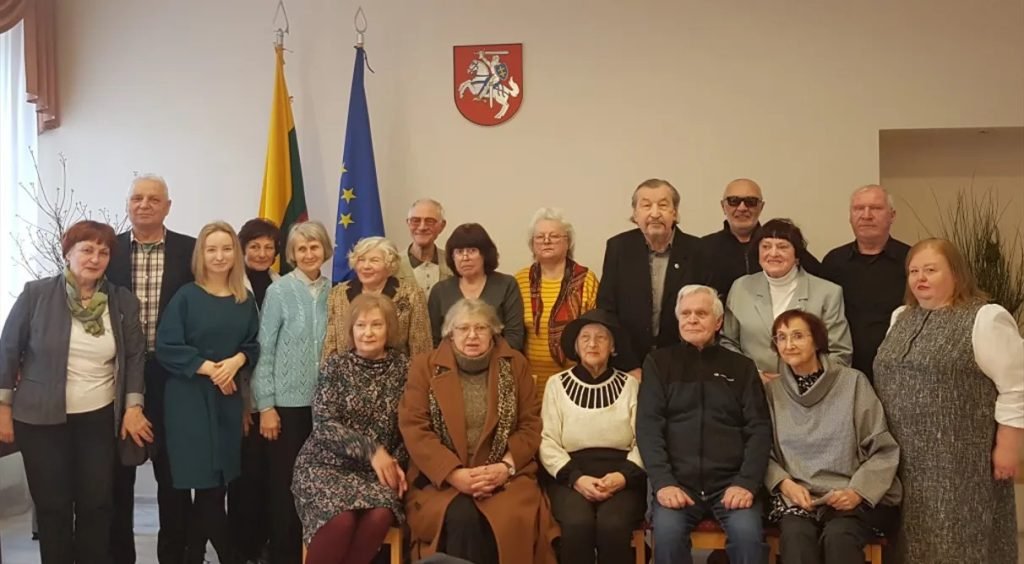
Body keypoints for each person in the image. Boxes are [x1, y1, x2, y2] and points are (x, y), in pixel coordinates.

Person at [0, 220, 152, 564]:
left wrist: (133, 406)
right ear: (67, 253)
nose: (95, 258)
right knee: (53, 506)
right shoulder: (36, 294)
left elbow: (135, 356)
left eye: (103, 252)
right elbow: (7, 350)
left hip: (99, 419)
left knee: (96, 504)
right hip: (40, 419)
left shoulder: (122, 301)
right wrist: (3, 407)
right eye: (86, 249)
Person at [873, 238, 1023, 564]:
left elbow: (1016, 386)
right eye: (914, 271)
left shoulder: (985, 318)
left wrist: (1008, 445)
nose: (920, 278)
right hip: (900, 458)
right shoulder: (902, 316)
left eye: (930, 270)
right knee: (905, 544)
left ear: (956, 273)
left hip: (959, 463)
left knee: (956, 542)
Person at [399, 299, 557, 563]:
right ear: (450, 333)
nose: (472, 335)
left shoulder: (515, 364)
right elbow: (415, 427)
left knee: (505, 520)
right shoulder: (425, 366)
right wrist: (453, 474)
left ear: (493, 332)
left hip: (505, 477)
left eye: (481, 328)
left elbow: (530, 425)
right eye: (463, 328)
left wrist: (505, 467)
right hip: (440, 480)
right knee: (461, 517)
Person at [637, 284, 771, 564]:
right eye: (685, 313)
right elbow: (649, 428)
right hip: (678, 484)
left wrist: (746, 483)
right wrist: (663, 483)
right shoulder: (658, 363)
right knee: (667, 538)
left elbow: (759, 429)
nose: (692, 320)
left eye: (701, 313)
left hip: (731, 484)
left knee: (748, 540)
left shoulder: (742, 367)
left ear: (718, 322)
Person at [106, 174, 198, 564]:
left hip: (173, 378)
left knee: (173, 478)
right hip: (116, 377)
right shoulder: (108, 249)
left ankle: (173, 556)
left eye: (153, 199)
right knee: (117, 478)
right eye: (137, 198)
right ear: (128, 204)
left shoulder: (190, 250)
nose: (144, 205)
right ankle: (119, 557)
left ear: (168, 206)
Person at [156, 221, 260, 564]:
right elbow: (167, 346)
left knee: (217, 485)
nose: (219, 256)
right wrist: (212, 369)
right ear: (200, 254)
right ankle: (230, 557)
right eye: (211, 249)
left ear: (236, 254)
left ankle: (194, 555)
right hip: (188, 401)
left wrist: (237, 360)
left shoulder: (244, 300)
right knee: (204, 486)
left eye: (226, 249)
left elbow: (252, 344)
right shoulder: (186, 296)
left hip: (226, 402)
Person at [764, 310, 901, 564]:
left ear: (817, 341)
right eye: (781, 337)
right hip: (797, 498)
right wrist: (785, 484)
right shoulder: (772, 392)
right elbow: (763, 452)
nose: (789, 344)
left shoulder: (853, 383)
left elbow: (883, 450)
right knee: (796, 538)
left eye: (798, 336)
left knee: (839, 538)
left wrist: (857, 491)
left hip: (848, 494)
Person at [292, 294, 410, 564]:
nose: (368, 333)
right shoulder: (335, 366)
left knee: (380, 514)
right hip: (325, 465)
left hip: (376, 473)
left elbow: (412, 426)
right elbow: (324, 425)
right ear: (351, 330)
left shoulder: (405, 369)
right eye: (361, 325)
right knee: (341, 520)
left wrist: (396, 463)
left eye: (376, 325)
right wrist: (372, 451)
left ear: (389, 329)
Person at [249, 221, 332, 564]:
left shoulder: (336, 291)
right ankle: (284, 555)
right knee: (285, 486)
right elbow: (264, 350)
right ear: (292, 254)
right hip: (286, 406)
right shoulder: (279, 291)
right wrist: (266, 405)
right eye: (301, 248)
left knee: (320, 484)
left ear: (325, 250)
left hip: (325, 407)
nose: (309, 254)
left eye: (314, 247)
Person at [539, 309, 644, 564]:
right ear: (576, 346)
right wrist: (576, 479)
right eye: (585, 338)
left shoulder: (631, 385)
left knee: (613, 524)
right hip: (570, 477)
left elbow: (644, 439)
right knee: (577, 523)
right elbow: (547, 440)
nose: (593, 344)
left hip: (622, 476)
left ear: (613, 347)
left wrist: (623, 477)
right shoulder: (556, 384)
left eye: (601, 338)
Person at [597, 178, 712, 373]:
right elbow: (607, 309)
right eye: (646, 205)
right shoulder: (619, 248)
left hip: (684, 363)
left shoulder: (697, 250)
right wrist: (630, 364)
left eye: (663, 205)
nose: (655, 213)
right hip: (628, 364)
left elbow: (706, 312)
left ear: (675, 212)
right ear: (635, 214)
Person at [722, 218, 852, 380]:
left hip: (809, 389)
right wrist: (754, 375)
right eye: (766, 246)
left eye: (782, 247)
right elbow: (727, 342)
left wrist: (808, 381)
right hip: (752, 385)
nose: (773, 253)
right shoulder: (741, 287)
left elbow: (840, 353)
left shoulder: (827, 292)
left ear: (797, 254)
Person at [821, 185, 910, 382]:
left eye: (876, 208)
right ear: (850, 216)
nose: (866, 215)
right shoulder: (833, 262)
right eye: (858, 208)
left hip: (899, 370)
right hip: (844, 370)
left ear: (892, 215)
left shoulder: (911, 260)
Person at [514, 208, 599, 398]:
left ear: (568, 242)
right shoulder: (520, 280)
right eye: (539, 237)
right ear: (532, 244)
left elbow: (596, 331)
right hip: (530, 382)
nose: (546, 241)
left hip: (576, 380)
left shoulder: (586, 279)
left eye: (554, 236)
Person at [702, 179, 822, 300]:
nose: (742, 208)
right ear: (723, 206)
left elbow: (817, 282)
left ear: (761, 207)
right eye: (734, 201)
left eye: (751, 202)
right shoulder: (703, 248)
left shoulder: (784, 246)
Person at [323, 236, 432, 359]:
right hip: (345, 369)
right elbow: (330, 345)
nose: (366, 266)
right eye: (361, 260)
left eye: (374, 260)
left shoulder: (412, 294)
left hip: (398, 369)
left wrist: (419, 371)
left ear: (390, 265)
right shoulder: (337, 294)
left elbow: (421, 347)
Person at [427, 224, 525, 351]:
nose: (465, 257)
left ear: (485, 254)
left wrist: (481, 358)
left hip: (499, 360)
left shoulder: (507, 284)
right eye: (459, 252)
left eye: (472, 251)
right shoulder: (440, 291)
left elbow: (515, 337)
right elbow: (434, 341)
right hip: (450, 361)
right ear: (452, 257)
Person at [398, 198, 453, 295]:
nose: (422, 227)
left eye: (429, 221)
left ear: (442, 226)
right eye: (415, 221)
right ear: (408, 223)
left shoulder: (453, 264)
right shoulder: (393, 266)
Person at [239, 217, 282, 308]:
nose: (262, 254)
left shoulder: (282, 284)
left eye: (268, 247)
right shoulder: (229, 282)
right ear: (243, 249)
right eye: (254, 247)